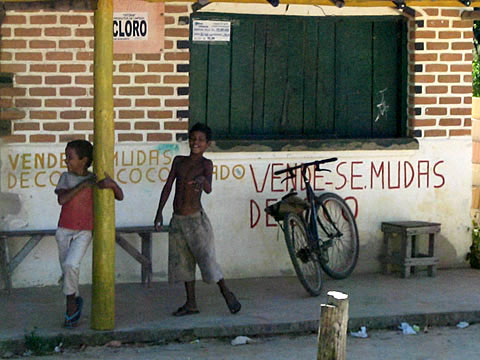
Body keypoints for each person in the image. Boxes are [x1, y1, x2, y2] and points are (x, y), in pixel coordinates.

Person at [154, 123, 241, 316]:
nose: (196, 143)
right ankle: (191, 303)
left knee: (207, 260)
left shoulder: (205, 164)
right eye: (193, 139)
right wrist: (159, 211)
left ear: (207, 144)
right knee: (183, 264)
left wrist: (203, 181)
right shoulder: (178, 161)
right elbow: (168, 187)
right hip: (178, 220)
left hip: (196, 221)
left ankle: (226, 292)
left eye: (200, 140)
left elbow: (209, 188)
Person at [55, 139, 124, 327]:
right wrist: (82, 186)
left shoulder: (94, 179)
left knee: (71, 265)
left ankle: (70, 306)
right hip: (64, 230)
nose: (66, 161)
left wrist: (112, 185)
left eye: (70, 157)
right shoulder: (66, 177)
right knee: (66, 269)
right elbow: (62, 199)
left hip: (83, 231)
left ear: (84, 160)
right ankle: (75, 299)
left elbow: (120, 196)